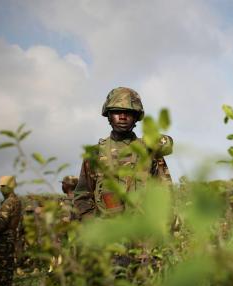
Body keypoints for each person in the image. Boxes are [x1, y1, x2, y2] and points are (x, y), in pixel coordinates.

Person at [74, 87, 173, 220]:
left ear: (136, 117)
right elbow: (82, 197)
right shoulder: (95, 154)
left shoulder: (149, 151)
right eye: (116, 112)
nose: (122, 117)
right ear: (108, 115)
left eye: (128, 112)